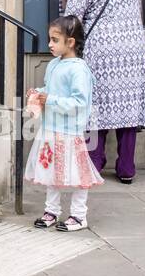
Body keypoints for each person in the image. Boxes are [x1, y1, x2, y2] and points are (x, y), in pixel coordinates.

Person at [64, 0, 145, 184]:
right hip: (133, 53)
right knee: (127, 110)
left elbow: (71, 22)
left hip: (101, 52)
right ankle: (126, 168)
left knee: (96, 106)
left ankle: (95, 162)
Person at [24, 15, 103, 231]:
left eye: (55, 40)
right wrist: (38, 93)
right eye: (50, 39)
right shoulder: (53, 64)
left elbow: (80, 102)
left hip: (69, 132)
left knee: (77, 174)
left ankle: (79, 215)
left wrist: (50, 100)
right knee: (51, 172)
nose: (49, 44)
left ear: (70, 42)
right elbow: (51, 89)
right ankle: (52, 211)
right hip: (51, 129)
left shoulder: (78, 69)